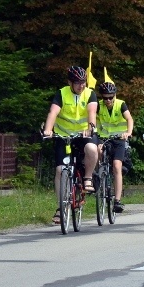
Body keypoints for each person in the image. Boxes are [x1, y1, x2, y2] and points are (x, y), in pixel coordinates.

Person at [43, 66, 98, 224]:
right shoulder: (62, 93)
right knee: (60, 170)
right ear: (70, 82)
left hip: (83, 134)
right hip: (64, 136)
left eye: (83, 82)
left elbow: (92, 113)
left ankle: (87, 178)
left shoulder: (90, 94)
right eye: (77, 83)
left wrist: (90, 128)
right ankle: (61, 208)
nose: (81, 85)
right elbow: (53, 112)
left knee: (92, 149)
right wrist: (48, 130)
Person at [96, 81, 134, 213]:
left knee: (117, 166)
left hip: (119, 139)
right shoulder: (98, 106)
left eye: (110, 97)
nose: (107, 100)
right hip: (104, 137)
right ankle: (98, 174)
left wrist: (128, 133)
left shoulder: (120, 104)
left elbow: (129, 119)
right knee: (97, 151)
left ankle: (117, 200)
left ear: (115, 95)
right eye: (105, 97)